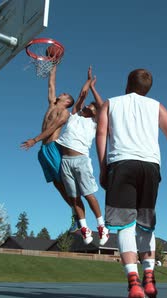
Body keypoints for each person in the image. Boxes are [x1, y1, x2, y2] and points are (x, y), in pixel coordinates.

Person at [96, 68, 167, 298]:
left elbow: (101, 134)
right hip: (150, 167)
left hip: (122, 163)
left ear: (127, 84)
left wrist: (104, 167)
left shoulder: (110, 103)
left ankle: (134, 284)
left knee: (125, 225)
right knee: (145, 225)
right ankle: (149, 278)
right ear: (148, 89)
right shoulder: (157, 107)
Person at [20, 65, 82, 231]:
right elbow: (51, 84)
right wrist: (54, 64)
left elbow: (51, 129)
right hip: (43, 150)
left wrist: (34, 139)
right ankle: (74, 211)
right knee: (56, 184)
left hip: (52, 147)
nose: (60, 94)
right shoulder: (51, 105)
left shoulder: (64, 114)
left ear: (68, 101)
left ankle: (78, 215)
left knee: (64, 183)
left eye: (64, 94)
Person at [56, 66, 109, 245]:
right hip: (66, 161)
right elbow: (81, 96)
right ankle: (85, 228)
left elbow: (102, 107)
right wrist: (87, 81)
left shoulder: (95, 123)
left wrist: (94, 88)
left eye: (91, 107)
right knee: (74, 197)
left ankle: (102, 226)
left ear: (95, 113)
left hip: (81, 160)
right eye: (87, 105)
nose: (87, 106)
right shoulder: (75, 116)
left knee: (88, 194)